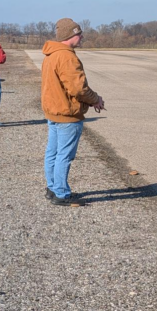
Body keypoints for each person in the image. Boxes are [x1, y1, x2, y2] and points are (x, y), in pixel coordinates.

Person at [41, 18, 105, 206]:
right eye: (79, 34)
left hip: (54, 112)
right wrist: (96, 100)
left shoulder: (50, 55)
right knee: (64, 155)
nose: (81, 37)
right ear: (70, 35)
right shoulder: (67, 57)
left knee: (52, 153)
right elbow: (78, 89)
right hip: (67, 114)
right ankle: (61, 193)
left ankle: (52, 188)